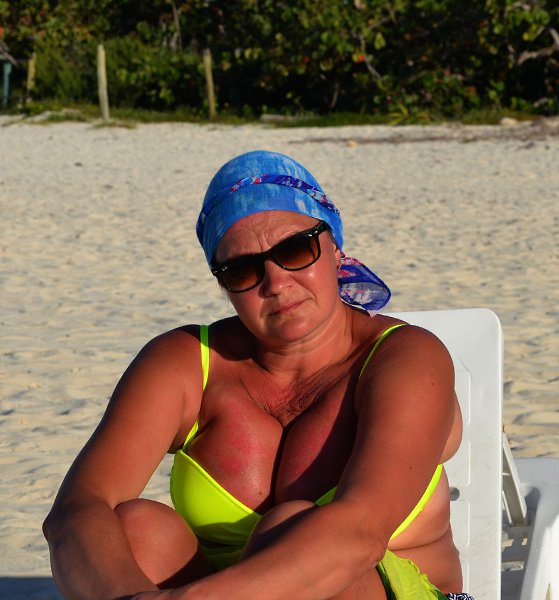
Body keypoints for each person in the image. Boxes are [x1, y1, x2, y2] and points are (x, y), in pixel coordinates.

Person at [44, 150, 472, 600]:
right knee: (135, 529)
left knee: (294, 527)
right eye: (242, 269)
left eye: (295, 250)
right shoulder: (186, 363)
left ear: (335, 248)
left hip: (378, 586)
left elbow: (359, 533)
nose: (276, 283)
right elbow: (77, 508)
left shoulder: (405, 358)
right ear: (223, 284)